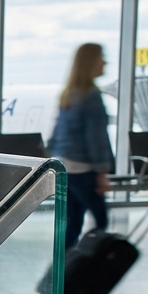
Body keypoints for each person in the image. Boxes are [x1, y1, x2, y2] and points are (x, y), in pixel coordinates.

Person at [49, 43, 114, 248]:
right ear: (90, 62)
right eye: (101, 57)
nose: (105, 62)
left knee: (72, 221)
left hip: (65, 166)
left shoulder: (69, 93)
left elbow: (57, 133)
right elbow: (96, 138)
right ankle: (87, 265)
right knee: (101, 220)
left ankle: (62, 270)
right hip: (82, 168)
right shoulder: (91, 96)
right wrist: (102, 173)